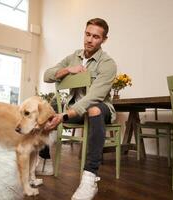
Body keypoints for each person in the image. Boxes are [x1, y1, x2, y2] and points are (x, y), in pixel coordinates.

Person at [40, 18, 117, 200]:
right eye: (87, 34)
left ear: (104, 40)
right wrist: (69, 69)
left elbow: (93, 97)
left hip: (99, 109)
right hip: (74, 109)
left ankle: (90, 178)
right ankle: (45, 160)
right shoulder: (74, 56)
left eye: (96, 37)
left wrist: (65, 115)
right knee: (46, 108)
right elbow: (47, 76)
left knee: (94, 109)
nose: (90, 40)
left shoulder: (108, 64)